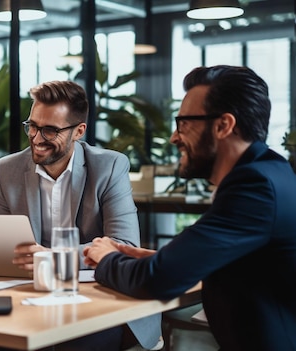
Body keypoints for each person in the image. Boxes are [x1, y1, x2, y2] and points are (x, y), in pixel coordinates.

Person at [85, 65, 296, 351]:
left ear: (223, 125)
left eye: (183, 123)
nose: (174, 137)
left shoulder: (254, 186)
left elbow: (157, 280)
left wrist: (106, 257)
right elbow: (245, 265)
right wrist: (165, 258)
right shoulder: (273, 169)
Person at [0, 80, 161, 351]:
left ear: (79, 131)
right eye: (32, 126)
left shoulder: (109, 166)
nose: (36, 138)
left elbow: (124, 244)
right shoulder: (8, 169)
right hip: (31, 298)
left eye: (49, 130)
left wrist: (50, 257)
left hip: (101, 301)